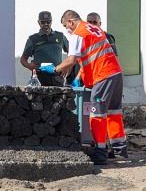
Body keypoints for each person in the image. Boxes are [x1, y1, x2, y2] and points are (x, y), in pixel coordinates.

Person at [49, 10, 124, 165]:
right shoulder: (94, 28)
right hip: (116, 73)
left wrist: (55, 69)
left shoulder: (78, 33)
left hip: (102, 76)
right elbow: (89, 57)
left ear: (70, 21)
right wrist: (78, 77)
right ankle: (120, 150)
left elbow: (71, 60)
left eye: (66, 26)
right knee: (113, 112)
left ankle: (100, 153)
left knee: (96, 114)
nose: (67, 30)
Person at [20, 11, 68, 87]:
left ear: (51, 21)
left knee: (59, 98)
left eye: (48, 22)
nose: (46, 24)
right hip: (39, 78)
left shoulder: (60, 36)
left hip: (57, 77)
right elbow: (23, 59)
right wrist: (29, 66)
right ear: (38, 22)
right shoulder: (33, 39)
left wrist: (66, 67)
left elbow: (72, 53)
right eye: (43, 22)